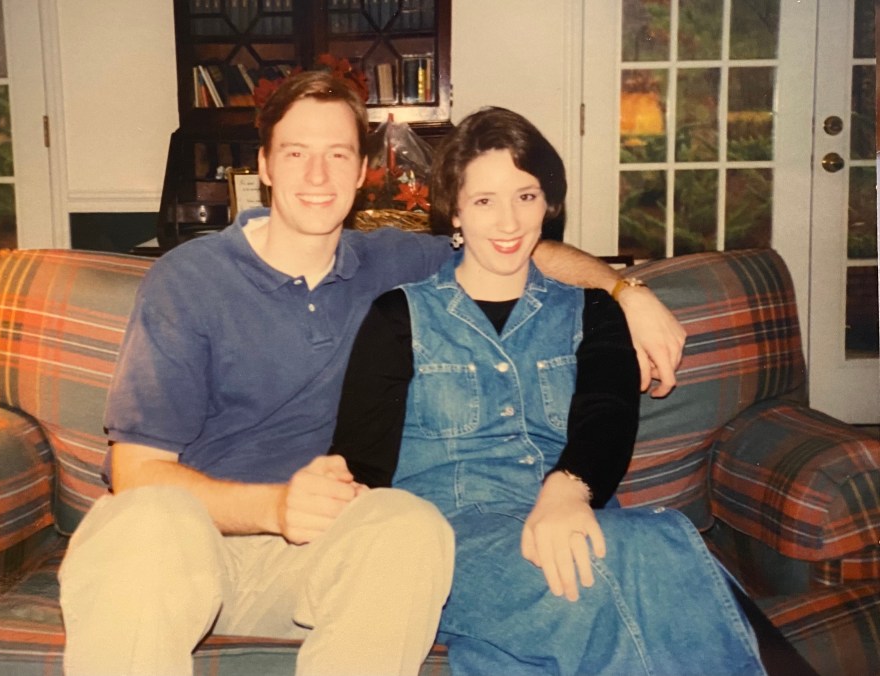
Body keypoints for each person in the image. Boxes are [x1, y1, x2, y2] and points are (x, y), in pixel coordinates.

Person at [58, 72, 686, 676]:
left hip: (314, 560)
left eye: (337, 154)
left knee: (407, 525)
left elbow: (511, 239)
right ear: (265, 167)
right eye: (296, 152)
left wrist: (626, 290)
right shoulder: (189, 279)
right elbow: (139, 473)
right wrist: (276, 506)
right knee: (149, 518)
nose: (316, 174)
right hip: (188, 547)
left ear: (362, 172)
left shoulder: (392, 263)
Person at [331, 107, 767, 675]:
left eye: (526, 196)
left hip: (574, 518)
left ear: (548, 203)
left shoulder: (592, 312)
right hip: (452, 541)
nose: (509, 221)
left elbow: (606, 415)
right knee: (642, 552)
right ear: (455, 209)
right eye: (485, 200)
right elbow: (362, 464)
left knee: (630, 552)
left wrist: (567, 491)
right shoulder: (399, 317)